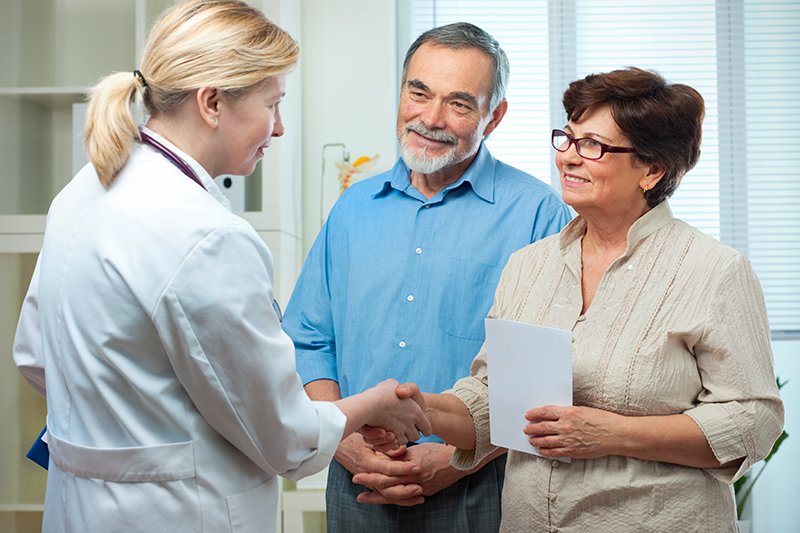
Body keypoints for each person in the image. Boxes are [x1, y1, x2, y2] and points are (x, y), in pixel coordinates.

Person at [11, 1, 430, 531]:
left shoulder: (82, 192)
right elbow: (285, 438)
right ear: (211, 102)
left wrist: (121, 427)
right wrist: (373, 404)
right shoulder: (205, 235)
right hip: (176, 514)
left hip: (79, 506)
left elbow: (33, 356)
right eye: (272, 104)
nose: (279, 128)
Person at [389, 67, 785, 532]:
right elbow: (492, 399)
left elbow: (753, 420)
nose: (568, 158)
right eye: (567, 139)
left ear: (652, 170)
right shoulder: (527, 265)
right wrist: (422, 409)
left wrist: (613, 434)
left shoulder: (714, 270)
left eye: (592, 145)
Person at [281, 22, 572, 532]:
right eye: (419, 93)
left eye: (459, 104)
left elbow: (541, 378)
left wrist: (458, 460)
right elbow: (308, 339)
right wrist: (342, 440)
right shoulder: (352, 208)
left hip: (477, 486)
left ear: (494, 116)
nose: (431, 119)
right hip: (355, 480)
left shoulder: (538, 214)